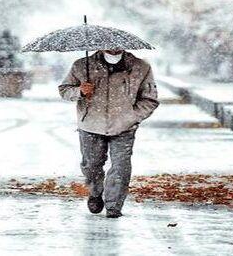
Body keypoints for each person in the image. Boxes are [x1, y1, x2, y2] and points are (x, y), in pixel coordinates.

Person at [59, 49, 159, 218]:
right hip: (91, 124)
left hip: (124, 127)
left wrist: (132, 116)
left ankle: (114, 205)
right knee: (91, 165)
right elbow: (64, 90)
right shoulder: (83, 65)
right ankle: (95, 192)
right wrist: (80, 91)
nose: (112, 48)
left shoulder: (140, 67)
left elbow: (150, 99)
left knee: (121, 166)